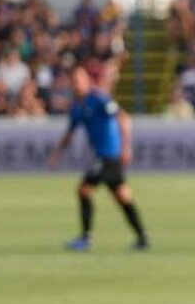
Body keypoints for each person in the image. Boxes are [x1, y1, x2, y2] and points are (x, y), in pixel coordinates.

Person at [47, 63, 149, 251]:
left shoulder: (99, 100)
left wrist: (126, 147)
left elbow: (124, 118)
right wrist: (57, 152)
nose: (77, 84)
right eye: (74, 81)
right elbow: (70, 133)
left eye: (80, 79)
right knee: (122, 196)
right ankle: (142, 237)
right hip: (106, 156)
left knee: (83, 190)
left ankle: (86, 238)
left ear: (87, 80)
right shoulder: (78, 107)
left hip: (108, 154)